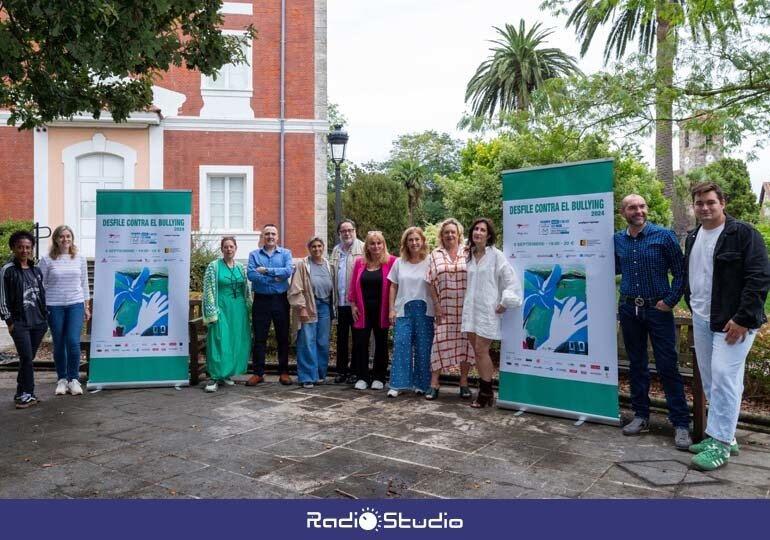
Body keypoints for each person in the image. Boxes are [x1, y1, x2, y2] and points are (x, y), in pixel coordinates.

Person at [684, 182, 770, 471]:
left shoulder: (744, 234)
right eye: (699, 203)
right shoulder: (693, 236)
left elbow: (758, 278)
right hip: (702, 317)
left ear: (723, 202)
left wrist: (743, 319)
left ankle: (720, 444)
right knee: (711, 379)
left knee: (724, 377)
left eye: (710, 202)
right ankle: (727, 435)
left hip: (734, 322)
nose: (705, 207)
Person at [614, 194, 692, 449]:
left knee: (668, 365)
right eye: (632, 207)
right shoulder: (617, 240)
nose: (638, 211)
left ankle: (680, 423)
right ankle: (641, 416)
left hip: (658, 309)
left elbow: (681, 272)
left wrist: (669, 301)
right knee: (637, 364)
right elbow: (608, 267)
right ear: (622, 212)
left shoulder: (664, 236)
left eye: (642, 206)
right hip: (629, 309)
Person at [462, 218, 522, 408]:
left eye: (482, 230)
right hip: (471, 310)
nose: (478, 232)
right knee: (477, 351)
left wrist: (505, 302)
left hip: (488, 311)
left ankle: (486, 391)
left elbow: (510, 280)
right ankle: (485, 391)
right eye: (475, 229)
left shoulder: (496, 256)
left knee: (481, 350)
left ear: (488, 235)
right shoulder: (469, 256)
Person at [38, 225, 90, 397]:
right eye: (62, 236)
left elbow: (84, 283)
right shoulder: (46, 260)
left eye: (68, 236)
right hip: (54, 305)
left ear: (72, 238)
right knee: (59, 342)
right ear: (56, 239)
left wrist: (86, 306)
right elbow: (40, 285)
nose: (65, 239)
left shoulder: (79, 258)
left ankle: (73, 380)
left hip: (75, 304)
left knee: (73, 341)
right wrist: (43, 307)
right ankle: (62, 379)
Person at [425, 218, 473, 400]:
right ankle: (434, 383)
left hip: (466, 309)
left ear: (459, 234)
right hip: (444, 308)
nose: (450, 235)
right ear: (441, 235)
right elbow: (430, 282)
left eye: (453, 232)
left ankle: (464, 383)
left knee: (465, 345)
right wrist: (436, 305)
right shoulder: (435, 254)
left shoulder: (469, 252)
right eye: (446, 232)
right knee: (438, 343)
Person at [1, 230, 48, 409]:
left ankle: (22, 392)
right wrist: (9, 322)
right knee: (27, 357)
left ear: (32, 249)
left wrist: (45, 318)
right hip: (19, 323)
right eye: (20, 247)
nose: (24, 250)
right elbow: (2, 298)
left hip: (38, 322)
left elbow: (41, 295)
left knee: (27, 358)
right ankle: (27, 393)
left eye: (28, 247)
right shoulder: (7, 270)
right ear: (13, 248)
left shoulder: (36, 270)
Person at [387, 227, 434, 397]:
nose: (414, 243)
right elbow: (393, 286)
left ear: (422, 241)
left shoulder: (430, 261)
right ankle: (397, 385)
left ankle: (421, 384)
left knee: (423, 347)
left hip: (425, 310)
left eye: (417, 239)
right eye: (410, 240)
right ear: (405, 243)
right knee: (401, 345)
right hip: (403, 310)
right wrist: (391, 309)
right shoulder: (399, 262)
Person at [246, 224, 295, 386]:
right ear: (262, 236)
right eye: (267, 234)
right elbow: (252, 275)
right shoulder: (254, 254)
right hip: (261, 300)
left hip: (280, 300)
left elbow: (288, 271)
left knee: (282, 337)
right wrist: (276, 276)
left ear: (277, 236)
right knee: (259, 338)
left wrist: (266, 271)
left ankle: (284, 372)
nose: (270, 236)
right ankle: (258, 373)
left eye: (273, 234)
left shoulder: (286, 253)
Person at [201, 236, 251, 392]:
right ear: (221, 249)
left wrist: (248, 308)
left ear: (235, 248)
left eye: (231, 247)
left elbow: (246, 290)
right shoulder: (214, 266)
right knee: (218, 340)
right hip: (221, 308)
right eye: (226, 247)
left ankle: (226, 374)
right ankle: (213, 377)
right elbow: (208, 288)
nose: (229, 249)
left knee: (234, 341)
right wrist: (211, 311)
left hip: (238, 310)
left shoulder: (241, 267)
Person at [348, 231, 396, 390]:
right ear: (367, 246)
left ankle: (379, 377)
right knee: (360, 343)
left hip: (382, 309)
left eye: (379, 243)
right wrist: (353, 305)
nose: (376, 246)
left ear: (383, 244)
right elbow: (353, 286)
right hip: (362, 310)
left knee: (381, 343)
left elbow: (396, 286)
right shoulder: (359, 263)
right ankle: (362, 376)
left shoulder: (392, 262)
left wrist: (393, 309)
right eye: (372, 243)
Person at [288, 237, 335, 388]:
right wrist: (301, 307)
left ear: (323, 248)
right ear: (309, 248)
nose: (317, 249)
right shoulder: (302, 265)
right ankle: (307, 376)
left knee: (322, 342)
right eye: (313, 246)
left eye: (319, 246)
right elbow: (296, 288)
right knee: (307, 342)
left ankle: (320, 375)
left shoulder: (329, 265)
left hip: (325, 307)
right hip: (308, 306)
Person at [329, 219, 364, 384]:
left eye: (350, 230)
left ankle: (355, 371)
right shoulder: (336, 251)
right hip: (341, 303)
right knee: (341, 339)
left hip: (356, 304)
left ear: (355, 231)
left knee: (358, 338)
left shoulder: (363, 249)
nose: (347, 233)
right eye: (343, 231)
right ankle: (341, 371)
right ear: (339, 234)